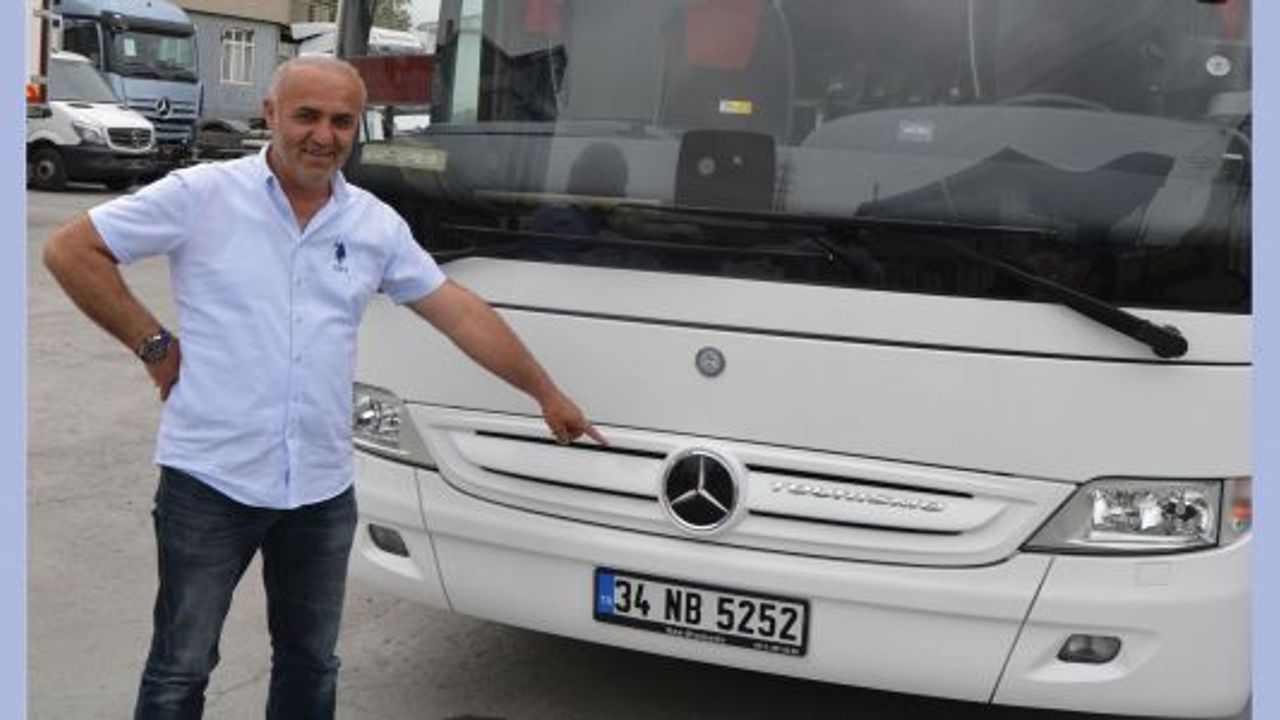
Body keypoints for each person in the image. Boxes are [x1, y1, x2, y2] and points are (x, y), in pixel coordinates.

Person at [42, 55, 607, 720]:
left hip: (319, 489)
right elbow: (71, 250)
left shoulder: (372, 223)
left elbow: (459, 311)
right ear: (271, 114)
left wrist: (545, 393)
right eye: (307, 116)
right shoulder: (202, 195)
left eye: (342, 121)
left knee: (311, 663)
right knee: (181, 667)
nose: (324, 135)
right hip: (210, 480)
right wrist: (154, 345)